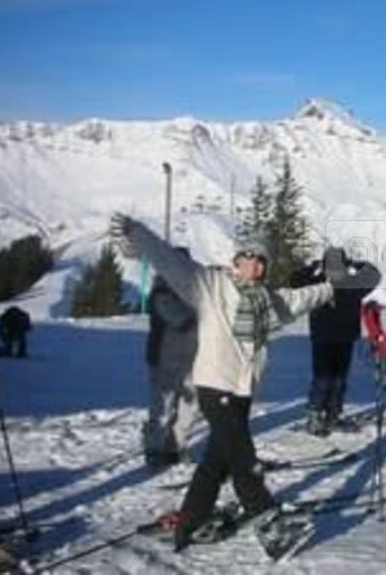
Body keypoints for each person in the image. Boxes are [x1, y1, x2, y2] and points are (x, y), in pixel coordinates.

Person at [110, 213, 338, 555]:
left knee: (215, 464)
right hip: (216, 389)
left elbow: (301, 299)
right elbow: (169, 260)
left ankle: (189, 522)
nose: (257, 268)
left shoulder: (268, 302)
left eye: (262, 262)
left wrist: (334, 287)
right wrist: (138, 234)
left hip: (243, 393)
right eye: (251, 259)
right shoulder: (210, 286)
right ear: (237, 260)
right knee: (244, 459)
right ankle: (269, 523)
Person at [289, 246, 381, 436]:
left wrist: (353, 264)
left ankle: (332, 414)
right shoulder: (319, 285)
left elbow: (374, 274)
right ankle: (316, 415)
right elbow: (294, 281)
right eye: (332, 265)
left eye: (338, 265)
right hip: (325, 338)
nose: (335, 269)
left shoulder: (349, 284)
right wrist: (316, 267)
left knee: (338, 379)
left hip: (342, 337)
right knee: (324, 379)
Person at [143, 248, 198, 469]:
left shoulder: (193, 291)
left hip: (191, 357)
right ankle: (155, 448)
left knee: (190, 405)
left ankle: (176, 445)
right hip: (164, 358)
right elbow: (181, 319)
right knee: (162, 406)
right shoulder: (162, 292)